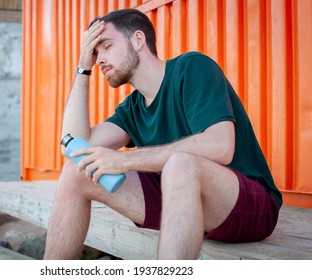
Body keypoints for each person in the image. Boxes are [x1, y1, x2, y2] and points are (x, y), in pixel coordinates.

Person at [43, 8, 282, 260]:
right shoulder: (132, 108)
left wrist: (125, 160)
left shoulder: (191, 68)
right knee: (76, 171)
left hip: (248, 206)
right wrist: (82, 69)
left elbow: (221, 146)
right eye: (94, 52)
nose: (99, 59)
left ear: (138, 40)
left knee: (180, 164)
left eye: (106, 46)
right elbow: (75, 146)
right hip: (179, 201)